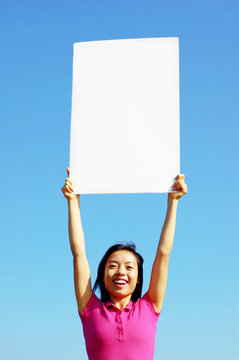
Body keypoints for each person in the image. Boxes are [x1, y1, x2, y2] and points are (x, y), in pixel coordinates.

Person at [62, 168, 187, 360]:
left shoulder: (150, 306)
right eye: (112, 266)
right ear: (103, 276)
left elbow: (164, 253)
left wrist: (173, 202)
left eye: (129, 267)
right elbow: (78, 254)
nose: (121, 272)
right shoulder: (90, 308)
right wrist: (73, 201)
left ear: (138, 279)